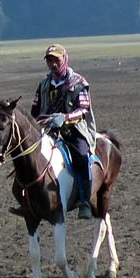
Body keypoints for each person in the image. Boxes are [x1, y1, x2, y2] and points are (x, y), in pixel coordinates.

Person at [30, 43, 97, 217]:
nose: (53, 64)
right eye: (49, 60)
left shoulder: (78, 83)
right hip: (47, 129)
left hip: (73, 130)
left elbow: (84, 109)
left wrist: (64, 118)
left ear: (64, 59)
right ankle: (28, 201)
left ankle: (84, 201)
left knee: (81, 157)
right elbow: (35, 109)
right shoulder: (44, 84)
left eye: (56, 60)